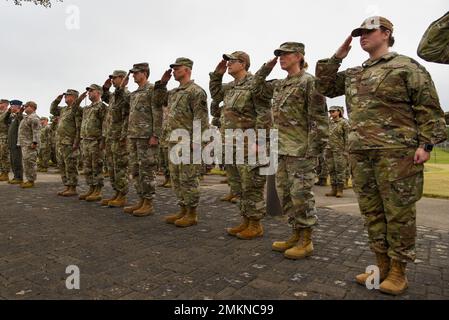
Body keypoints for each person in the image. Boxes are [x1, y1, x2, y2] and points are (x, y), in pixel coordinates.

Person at [316, 16, 447, 295]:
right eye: (359, 33)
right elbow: (325, 86)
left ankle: (399, 272)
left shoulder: (406, 66)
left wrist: (427, 145)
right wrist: (337, 57)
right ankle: (381, 266)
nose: (362, 36)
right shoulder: (354, 73)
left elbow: (428, 108)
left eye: (368, 32)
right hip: (361, 153)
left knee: (398, 214)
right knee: (372, 213)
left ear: (386, 34)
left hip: (396, 153)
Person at [254, 42, 328, 258]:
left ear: (298, 56)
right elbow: (256, 88)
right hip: (281, 149)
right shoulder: (280, 84)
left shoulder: (309, 82)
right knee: (286, 195)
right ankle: (295, 234)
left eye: (285, 54)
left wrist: (313, 150)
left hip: (301, 151)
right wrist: (266, 67)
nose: (280, 58)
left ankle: (307, 240)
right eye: (278, 55)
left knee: (301, 195)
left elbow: (319, 119)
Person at [210, 51, 272, 240]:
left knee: (251, 186)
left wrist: (261, 141)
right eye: (227, 61)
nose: (228, 64)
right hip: (230, 144)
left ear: (243, 64)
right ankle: (245, 220)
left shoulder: (254, 85)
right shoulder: (230, 87)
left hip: (249, 144)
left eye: (232, 61)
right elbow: (215, 95)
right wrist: (217, 74)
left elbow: (264, 113)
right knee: (238, 187)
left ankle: (256, 224)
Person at [156, 57, 209, 227]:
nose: (174, 71)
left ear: (187, 70)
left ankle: (192, 213)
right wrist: (161, 84)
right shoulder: (173, 92)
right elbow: (157, 102)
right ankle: (183, 208)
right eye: (173, 68)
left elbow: (201, 118)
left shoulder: (196, 91)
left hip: (188, 142)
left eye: (177, 68)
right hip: (173, 141)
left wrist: (197, 142)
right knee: (177, 178)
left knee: (189, 178)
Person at [122, 63, 163, 217]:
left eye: (136, 73)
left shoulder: (152, 90)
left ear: (144, 73)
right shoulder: (134, 93)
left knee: (147, 170)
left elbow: (158, 113)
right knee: (136, 170)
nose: (133, 75)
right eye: (132, 73)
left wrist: (155, 135)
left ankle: (148, 202)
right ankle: (141, 200)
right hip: (133, 136)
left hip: (147, 137)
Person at [100, 70, 131, 208]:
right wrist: (105, 89)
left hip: (120, 136)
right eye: (111, 78)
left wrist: (124, 135)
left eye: (115, 78)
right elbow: (107, 98)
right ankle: (116, 192)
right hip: (111, 136)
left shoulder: (126, 95)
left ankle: (122, 195)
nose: (112, 80)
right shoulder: (113, 96)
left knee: (120, 167)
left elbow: (126, 114)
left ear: (123, 79)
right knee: (112, 166)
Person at [50, 90, 84, 197]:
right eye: (66, 96)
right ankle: (67, 186)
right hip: (60, 142)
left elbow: (79, 127)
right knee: (62, 165)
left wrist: (77, 141)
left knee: (71, 165)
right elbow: (52, 110)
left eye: (68, 96)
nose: (66, 97)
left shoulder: (77, 109)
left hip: (70, 142)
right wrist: (57, 100)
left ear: (74, 97)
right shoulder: (63, 109)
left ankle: (72, 187)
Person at [78, 85, 107, 202]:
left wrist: (103, 140)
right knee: (88, 167)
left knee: (97, 166)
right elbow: (75, 109)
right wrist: (80, 98)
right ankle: (91, 188)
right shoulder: (87, 108)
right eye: (88, 91)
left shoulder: (102, 107)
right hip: (86, 140)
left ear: (99, 92)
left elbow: (105, 124)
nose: (89, 93)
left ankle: (98, 190)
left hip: (96, 141)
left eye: (91, 91)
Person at [325, 106, 349, 198]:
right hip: (329, 149)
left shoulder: (344, 122)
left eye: (333, 111)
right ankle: (333, 189)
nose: (331, 113)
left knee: (339, 170)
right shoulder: (329, 122)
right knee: (331, 170)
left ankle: (340, 190)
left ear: (339, 112)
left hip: (339, 150)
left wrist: (346, 150)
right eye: (330, 112)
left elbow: (347, 137)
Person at [17, 101, 41, 188]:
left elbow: (36, 132)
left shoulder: (34, 118)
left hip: (30, 145)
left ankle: (31, 180)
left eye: (26, 106)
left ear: (32, 107)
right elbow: (18, 117)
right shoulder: (27, 117)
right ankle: (28, 179)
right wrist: (21, 110)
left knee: (30, 163)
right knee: (26, 162)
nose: (25, 107)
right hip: (25, 144)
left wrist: (35, 143)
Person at [5, 100, 24, 184]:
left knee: (17, 160)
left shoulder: (21, 116)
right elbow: (5, 121)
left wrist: (19, 113)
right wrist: (8, 112)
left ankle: (19, 177)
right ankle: (15, 176)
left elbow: (21, 122)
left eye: (12, 106)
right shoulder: (12, 117)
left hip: (17, 142)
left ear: (18, 107)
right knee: (13, 160)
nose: (11, 108)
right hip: (11, 142)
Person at [0, 99, 10, 181]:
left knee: (4, 155)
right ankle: (2, 172)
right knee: (1, 156)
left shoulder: (9, 113)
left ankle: (5, 173)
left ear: (5, 104)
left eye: (0, 103)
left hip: (5, 137)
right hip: (1, 136)